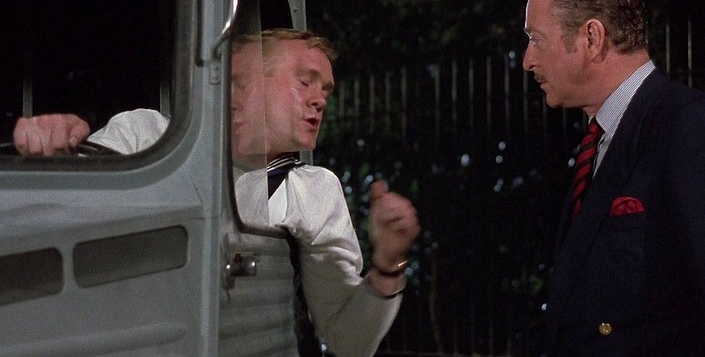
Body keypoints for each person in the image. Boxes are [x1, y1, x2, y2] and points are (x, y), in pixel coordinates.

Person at [13, 28, 420, 357]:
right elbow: (50, 235)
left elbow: (350, 342)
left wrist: (389, 264)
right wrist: (53, 150)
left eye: (325, 91)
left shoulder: (314, 191)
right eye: (305, 82)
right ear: (240, 84)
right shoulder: (144, 136)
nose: (319, 100)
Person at [522, 0, 705, 355]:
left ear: (592, 37)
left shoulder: (692, 129)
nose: (528, 59)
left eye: (536, 39)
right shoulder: (602, 139)